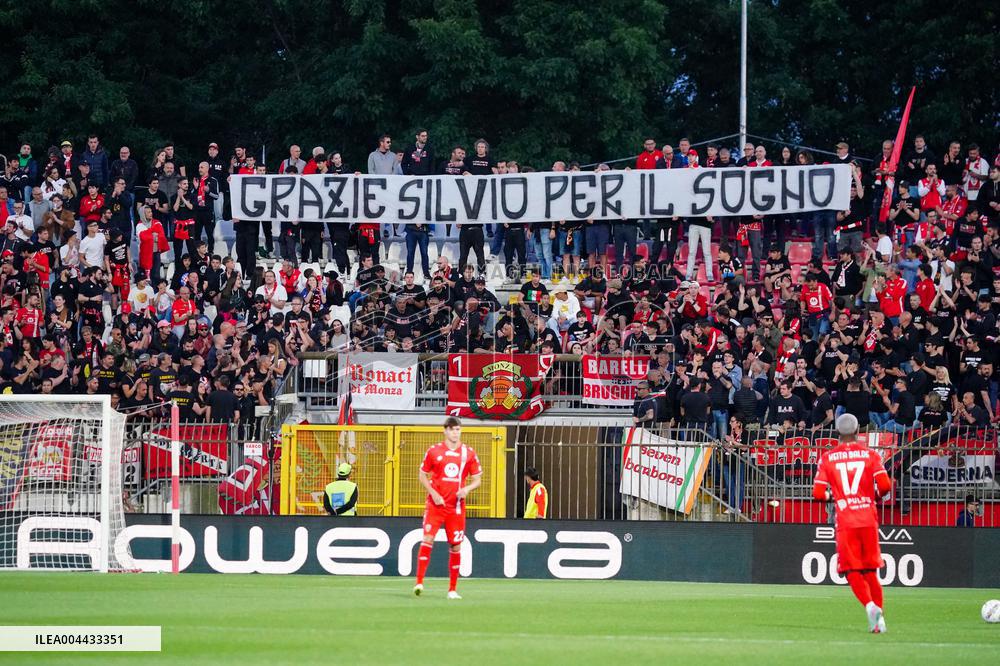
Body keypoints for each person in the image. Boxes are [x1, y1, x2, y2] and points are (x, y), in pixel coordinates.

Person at [812, 413, 893, 634]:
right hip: (867, 518)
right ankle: (879, 620)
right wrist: (872, 496)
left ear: (838, 433)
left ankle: (869, 607)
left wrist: (836, 498)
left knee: (851, 570)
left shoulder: (828, 458)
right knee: (871, 571)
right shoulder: (871, 455)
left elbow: (818, 493)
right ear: (858, 432)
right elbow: (885, 486)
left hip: (846, 520)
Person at [414, 416, 482, 600]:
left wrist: (466, 489)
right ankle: (419, 582)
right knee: (428, 538)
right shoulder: (434, 451)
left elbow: (477, 480)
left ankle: (452, 589)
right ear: (445, 431)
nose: (454, 432)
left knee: (456, 545)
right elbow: (422, 475)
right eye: (451, 429)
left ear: (460, 431)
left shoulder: (468, 453)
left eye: (457, 429)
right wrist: (433, 492)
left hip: (456, 507)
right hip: (435, 505)